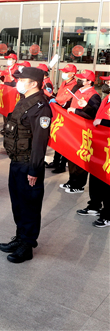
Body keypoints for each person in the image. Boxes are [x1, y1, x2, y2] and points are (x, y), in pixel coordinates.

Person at [0, 66, 52, 263]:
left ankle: (27, 245)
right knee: (18, 203)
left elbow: (40, 142)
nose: (18, 83)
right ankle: (20, 237)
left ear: (34, 84)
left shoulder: (41, 108)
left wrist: (34, 170)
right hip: (16, 161)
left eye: (22, 80)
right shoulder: (25, 102)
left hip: (29, 164)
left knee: (29, 206)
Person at [60, 69, 101, 194]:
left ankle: (79, 185)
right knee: (71, 155)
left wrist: (77, 110)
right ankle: (72, 181)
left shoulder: (94, 95)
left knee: (81, 157)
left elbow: (94, 114)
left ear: (89, 82)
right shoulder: (78, 91)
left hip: (84, 130)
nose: (79, 80)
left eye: (82, 79)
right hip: (73, 128)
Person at [47, 64, 81, 174]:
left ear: (72, 74)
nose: (64, 73)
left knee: (64, 142)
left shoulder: (74, 86)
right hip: (59, 114)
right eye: (64, 71)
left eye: (66, 72)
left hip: (66, 116)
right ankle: (56, 161)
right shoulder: (64, 83)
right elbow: (59, 95)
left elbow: (67, 101)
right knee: (58, 138)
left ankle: (61, 165)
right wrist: (54, 98)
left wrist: (56, 101)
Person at [87, 75, 110, 228]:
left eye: (109, 81)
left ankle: (108, 215)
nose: (106, 83)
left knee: (107, 181)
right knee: (95, 176)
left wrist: (103, 122)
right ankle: (94, 205)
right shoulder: (106, 98)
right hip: (99, 146)